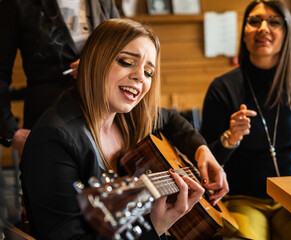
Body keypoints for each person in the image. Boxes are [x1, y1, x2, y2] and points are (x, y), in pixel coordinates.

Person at [20, 18, 228, 240]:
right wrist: (155, 225)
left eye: (149, 72)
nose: (140, 76)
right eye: (127, 62)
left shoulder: (129, 118)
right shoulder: (54, 140)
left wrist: (201, 150)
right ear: (94, 60)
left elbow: (170, 119)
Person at [200, 1, 291, 239]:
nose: (263, 28)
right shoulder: (222, 88)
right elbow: (205, 163)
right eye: (254, 21)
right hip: (244, 199)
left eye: (274, 22)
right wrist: (231, 138)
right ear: (244, 33)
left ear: (286, 34)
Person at [0, 0, 120, 154]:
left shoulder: (104, 2)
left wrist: (95, 62)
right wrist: (10, 131)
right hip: (47, 121)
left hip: (103, 120)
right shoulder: (16, 3)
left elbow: (123, 50)